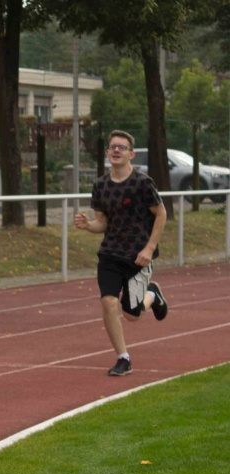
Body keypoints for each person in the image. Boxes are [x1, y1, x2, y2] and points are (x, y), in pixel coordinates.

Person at [75, 129, 168, 376]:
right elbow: (102, 223)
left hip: (138, 257)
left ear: (131, 154)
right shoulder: (100, 185)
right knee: (108, 302)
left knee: (131, 315)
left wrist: (149, 248)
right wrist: (88, 226)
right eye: (113, 147)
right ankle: (123, 358)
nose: (116, 150)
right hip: (110, 254)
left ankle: (152, 294)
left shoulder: (142, 183)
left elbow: (161, 214)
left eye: (122, 147)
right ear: (107, 152)